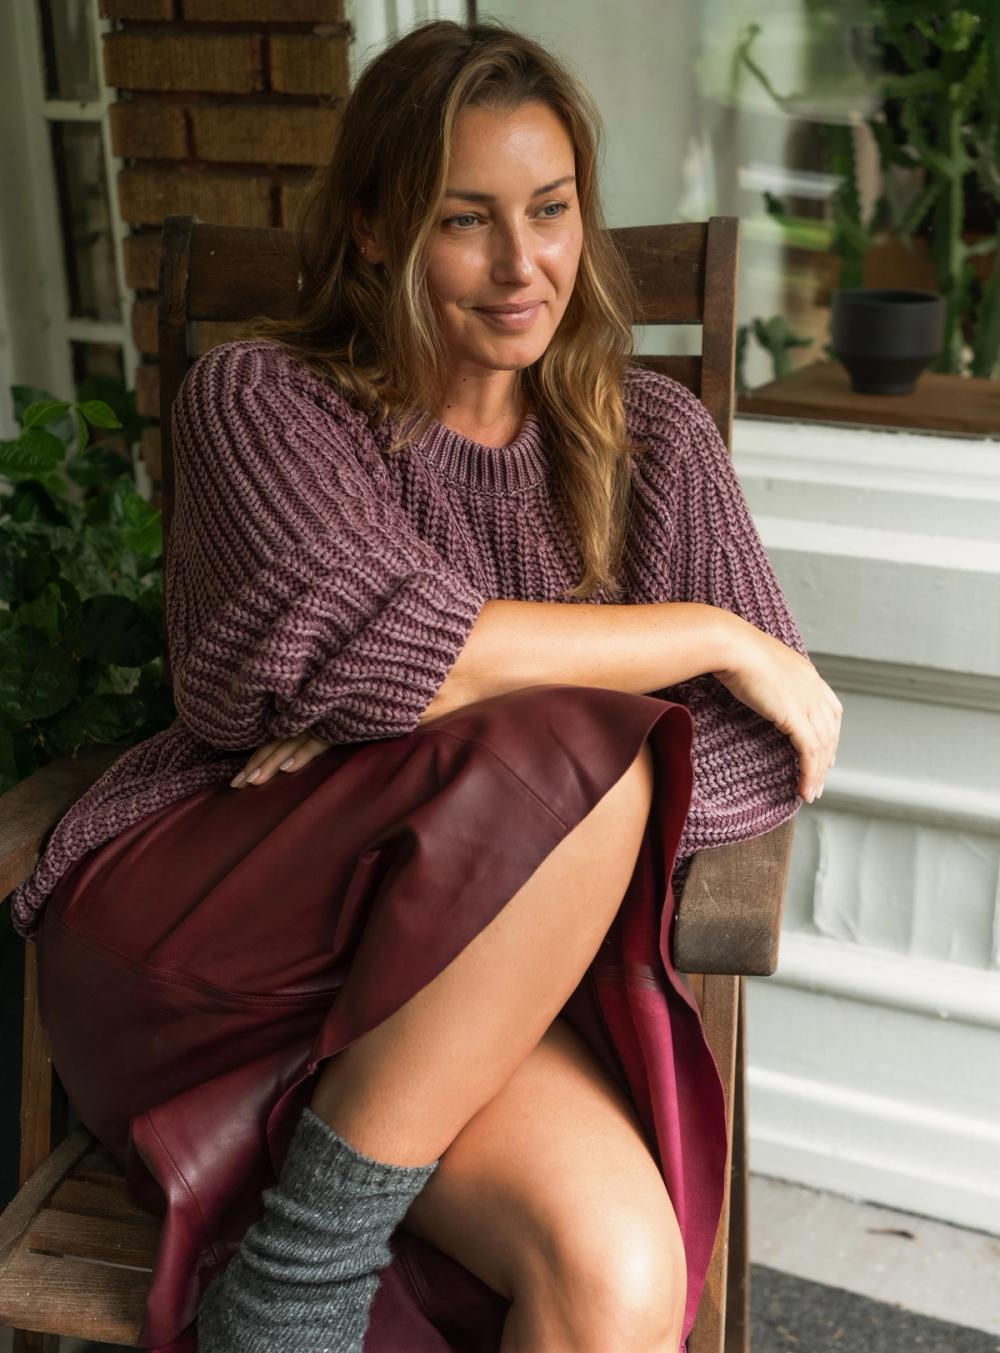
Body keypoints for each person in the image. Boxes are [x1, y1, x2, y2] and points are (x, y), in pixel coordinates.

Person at [11, 17, 841, 1353]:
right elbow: (382, 643)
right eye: (466, 219)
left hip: (464, 986)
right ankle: (302, 1281)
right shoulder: (262, 401)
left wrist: (427, 741)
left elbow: (759, 749)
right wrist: (702, 638)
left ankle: (282, 1291)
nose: (523, 264)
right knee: (597, 757)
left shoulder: (658, 445)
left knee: (620, 1274)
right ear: (374, 229)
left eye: (551, 210)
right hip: (231, 943)